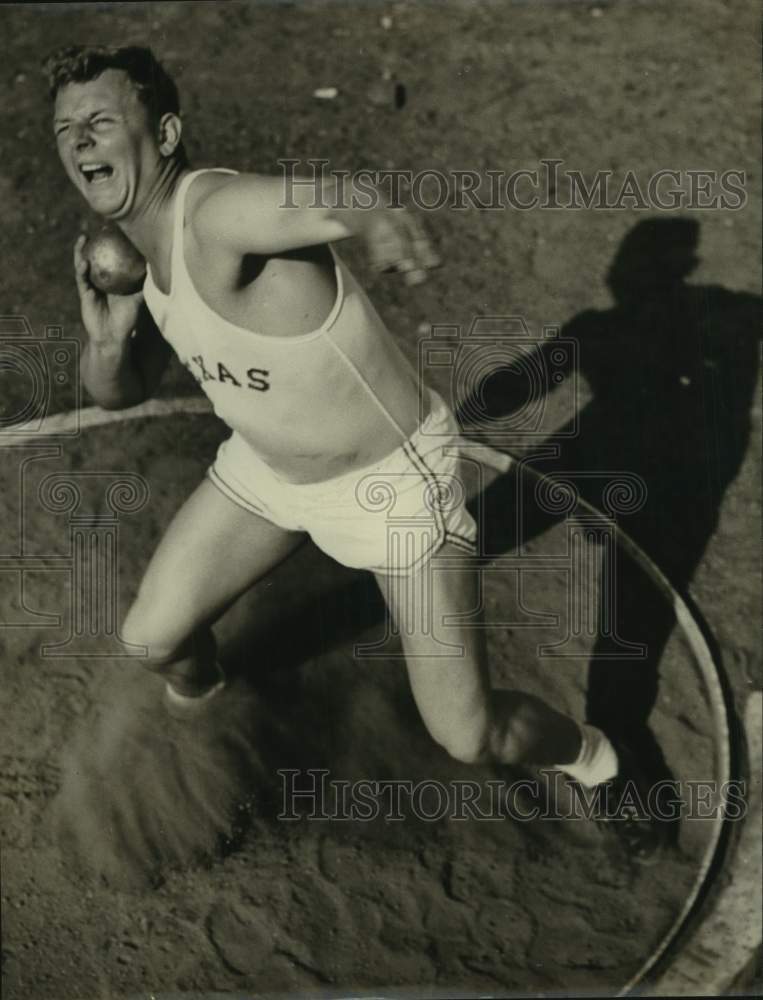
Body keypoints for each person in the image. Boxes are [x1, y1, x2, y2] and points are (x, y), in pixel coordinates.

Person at [45, 44, 663, 861]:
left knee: (467, 731)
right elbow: (117, 393)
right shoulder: (136, 255)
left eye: (100, 121)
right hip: (268, 475)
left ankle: (597, 758)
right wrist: (110, 339)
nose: (82, 142)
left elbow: (318, 201)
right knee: (155, 641)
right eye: (66, 130)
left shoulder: (214, 214)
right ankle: (222, 713)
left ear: (162, 132)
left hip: (388, 489)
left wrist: (371, 215)